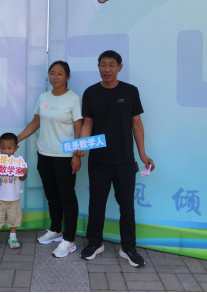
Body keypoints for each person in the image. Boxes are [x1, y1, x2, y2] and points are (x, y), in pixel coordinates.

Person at [79, 51, 156, 267]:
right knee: (96, 204)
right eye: (103, 65)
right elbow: (87, 123)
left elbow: (136, 124)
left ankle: (128, 247)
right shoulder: (91, 92)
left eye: (112, 65)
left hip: (124, 160)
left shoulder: (130, 91)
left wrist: (142, 154)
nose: (107, 69)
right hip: (98, 160)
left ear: (120, 67)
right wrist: (81, 146)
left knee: (127, 207)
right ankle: (95, 243)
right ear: (98, 66)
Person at [18, 61, 83, 258]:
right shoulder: (43, 97)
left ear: (67, 77)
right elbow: (35, 122)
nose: (55, 77)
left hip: (65, 156)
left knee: (67, 198)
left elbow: (79, 128)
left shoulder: (73, 99)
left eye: (60, 74)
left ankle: (69, 240)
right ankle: (56, 230)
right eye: (52, 73)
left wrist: (76, 155)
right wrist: (16, 139)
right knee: (51, 195)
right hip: (44, 154)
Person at [0, 133, 29, 250]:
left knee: (13, 218)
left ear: (16, 148)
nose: (6, 151)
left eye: (10, 148)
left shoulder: (19, 163)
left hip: (14, 198)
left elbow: (22, 178)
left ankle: (13, 237)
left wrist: (24, 172)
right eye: (3, 148)